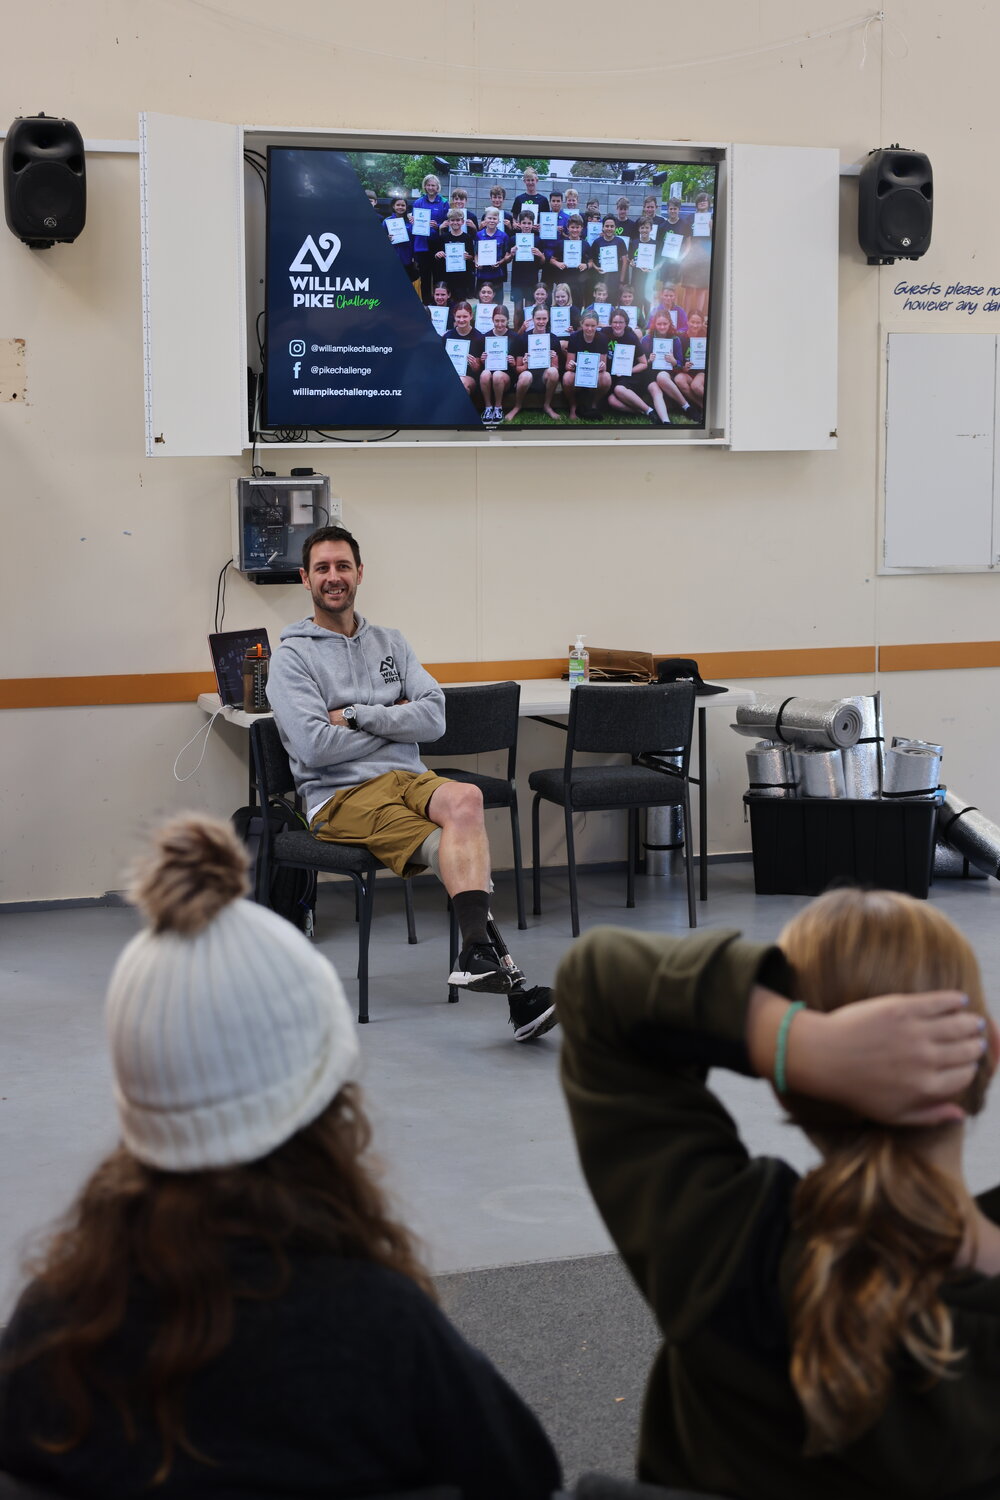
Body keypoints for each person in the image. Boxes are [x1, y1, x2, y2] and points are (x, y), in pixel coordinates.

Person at [0, 815, 563, 1498]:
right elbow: (525, 1476)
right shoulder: (384, 1335)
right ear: (329, 1107)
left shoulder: (51, 1330)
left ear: (136, 1100)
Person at [556, 888, 999, 1498]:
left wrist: (798, 1041)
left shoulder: (734, 1255)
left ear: (788, 1089)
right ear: (990, 1052)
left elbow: (596, 986)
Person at [265, 526, 557, 1041]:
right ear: (305, 579)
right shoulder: (292, 658)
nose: (335, 577)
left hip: (408, 778)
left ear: (360, 573)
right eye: (323, 569)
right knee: (456, 847)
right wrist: (393, 718)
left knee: (467, 796)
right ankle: (514, 991)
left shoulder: (391, 642)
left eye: (343, 567)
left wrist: (355, 716)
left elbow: (436, 720)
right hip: (338, 796)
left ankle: (475, 955)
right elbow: (313, 748)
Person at [506, 304, 560, 422]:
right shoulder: (523, 338)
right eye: (538, 319)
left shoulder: (554, 339)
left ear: (549, 318)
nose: (541, 322)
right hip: (527, 379)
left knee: (553, 372)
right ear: (533, 319)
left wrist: (552, 359)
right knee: (526, 375)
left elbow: (556, 368)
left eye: (544, 318)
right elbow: (518, 369)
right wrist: (525, 364)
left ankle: (547, 405)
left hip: (544, 379)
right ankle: (517, 406)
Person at [563, 310, 611, 420]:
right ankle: (573, 406)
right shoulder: (574, 337)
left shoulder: (603, 338)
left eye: (593, 326)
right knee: (567, 377)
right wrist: (571, 365)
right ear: (581, 324)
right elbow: (567, 366)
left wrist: (602, 366)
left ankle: (594, 404)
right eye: (587, 325)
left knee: (606, 378)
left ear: (597, 325)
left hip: (594, 375)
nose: (590, 329)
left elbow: (604, 368)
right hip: (578, 374)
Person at [412, 172, 450, 303]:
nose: (431, 188)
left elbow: (448, 223)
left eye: (433, 185)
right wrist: (413, 222)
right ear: (425, 186)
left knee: (439, 275)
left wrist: (438, 226)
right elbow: (415, 223)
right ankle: (426, 304)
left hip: (437, 243)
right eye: (428, 185)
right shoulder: (418, 202)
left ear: (437, 187)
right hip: (422, 244)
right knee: (425, 276)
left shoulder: (444, 202)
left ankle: (439, 304)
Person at [479, 302, 516, 415]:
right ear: (492, 320)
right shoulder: (485, 337)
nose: (499, 324)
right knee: (485, 373)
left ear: (508, 320)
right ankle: (488, 407)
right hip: (489, 377)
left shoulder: (515, 338)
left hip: (506, 378)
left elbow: (518, 366)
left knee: (497, 374)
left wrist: (513, 362)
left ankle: (498, 408)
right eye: (497, 321)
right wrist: (482, 360)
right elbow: (481, 364)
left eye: (503, 321)